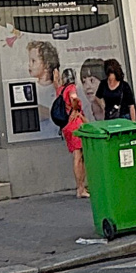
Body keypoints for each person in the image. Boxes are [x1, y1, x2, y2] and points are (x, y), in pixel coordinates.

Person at [54, 67, 88, 196]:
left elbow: (56, 84)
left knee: (77, 156)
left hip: (66, 127)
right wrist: (76, 109)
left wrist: (55, 75)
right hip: (75, 124)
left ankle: (81, 187)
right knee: (79, 157)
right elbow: (74, 99)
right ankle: (80, 188)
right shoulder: (71, 88)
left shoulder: (60, 90)